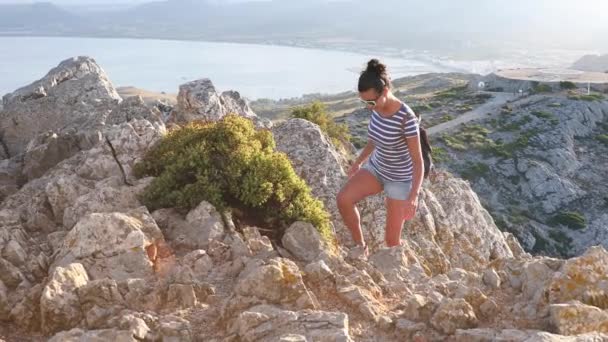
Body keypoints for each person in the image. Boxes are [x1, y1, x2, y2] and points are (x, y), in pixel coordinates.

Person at [336, 59, 424, 257]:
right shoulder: (376, 109)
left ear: (384, 92)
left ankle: (398, 277)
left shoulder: (406, 118)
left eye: (370, 102)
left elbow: (418, 161)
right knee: (344, 200)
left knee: (392, 241)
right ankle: (361, 248)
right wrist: (358, 162)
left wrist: (413, 196)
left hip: (400, 179)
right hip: (377, 169)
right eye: (364, 102)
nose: (368, 107)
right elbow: (374, 140)